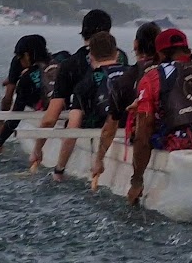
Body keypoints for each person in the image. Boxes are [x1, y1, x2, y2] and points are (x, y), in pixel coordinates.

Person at [126, 27, 192, 205]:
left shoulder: (152, 77)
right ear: (187, 49)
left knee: (143, 127)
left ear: (159, 53)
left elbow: (143, 134)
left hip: (181, 144)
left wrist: (137, 180)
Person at [42, 32, 128, 181]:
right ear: (116, 53)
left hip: (101, 134)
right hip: (128, 132)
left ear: (91, 56)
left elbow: (73, 128)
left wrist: (59, 169)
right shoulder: (132, 74)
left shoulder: (84, 85)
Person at [93, 21, 161, 181]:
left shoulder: (124, 81)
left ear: (135, 45)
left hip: (143, 141)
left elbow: (110, 128)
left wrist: (99, 159)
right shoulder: (172, 70)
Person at [0, 34, 49, 156]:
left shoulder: (25, 79)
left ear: (27, 55)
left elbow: (15, 110)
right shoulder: (61, 63)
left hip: (43, 107)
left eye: (19, 57)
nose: (19, 60)